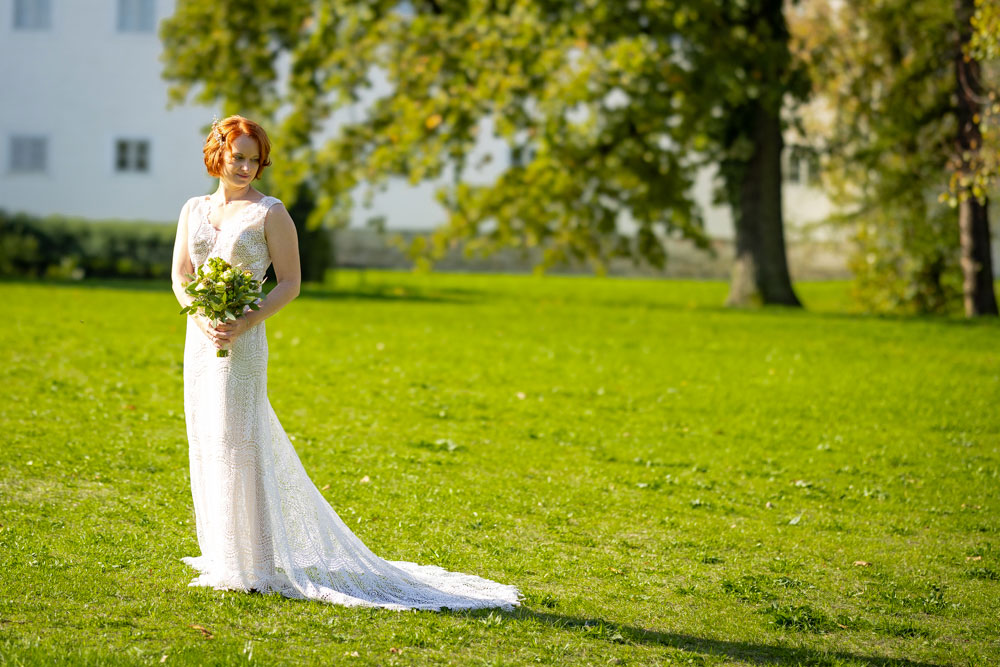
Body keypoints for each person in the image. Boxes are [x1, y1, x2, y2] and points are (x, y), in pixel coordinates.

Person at [170, 115, 521, 611]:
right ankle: (226, 553)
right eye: (239, 157)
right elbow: (181, 273)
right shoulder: (193, 209)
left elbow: (290, 282)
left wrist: (245, 320)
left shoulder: (271, 214)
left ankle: (258, 563)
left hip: (244, 338)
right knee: (209, 435)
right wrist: (200, 313)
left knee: (242, 438)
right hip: (201, 337)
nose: (247, 167)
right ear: (218, 154)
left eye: (255, 159)